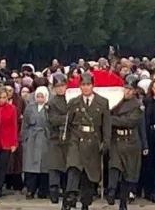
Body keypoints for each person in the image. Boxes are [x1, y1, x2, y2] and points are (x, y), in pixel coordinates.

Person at [62, 72, 111, 210]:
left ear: (93, 85)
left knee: (89, 174)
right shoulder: (74, 102)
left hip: (93, 140)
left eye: (88, 84)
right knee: (73, 166)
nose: (86, 87)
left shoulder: (102, 102)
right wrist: (66, 138)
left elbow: (106, 124)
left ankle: (85, 201)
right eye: (83, 85)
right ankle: (70, 196)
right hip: (76, 138)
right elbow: (68, 122)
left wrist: (106, 142)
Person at [106, 84, 144, 210]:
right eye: (125, 88)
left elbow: (130, 121)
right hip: (116, 140)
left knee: (128, 174)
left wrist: (112, 120)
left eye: (130, 89)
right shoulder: (116, 102)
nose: (127, 91)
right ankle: (111, 191)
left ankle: (123, 201)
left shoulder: (137, 105)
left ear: (134, 91)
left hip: (130, 141)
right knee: (114, 166)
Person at [21, 86, 51, 199]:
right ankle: (30, 190)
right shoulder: (29, 108)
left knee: (44, 167)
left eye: (42, 96)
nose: (39, 98)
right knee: (30, 166)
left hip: (44, 139)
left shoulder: (49, 108)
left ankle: (43, 190)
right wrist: (24, 139)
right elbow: (25, 124)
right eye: (38, 96)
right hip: (32, 139)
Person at [0, 87, 19, 198]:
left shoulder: (12, 108)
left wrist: (14, 142)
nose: (2, 100)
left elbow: (14, 125)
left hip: (7, 140)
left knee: (2, 165)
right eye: (0, 98)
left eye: (4, 98)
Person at [45, 72, 68, 203]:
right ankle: (53, 190)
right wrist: (68, 117)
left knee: (68, 166)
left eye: (63, 85)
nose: (60, 88)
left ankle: (67, 190)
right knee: (54, 166)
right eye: (58, 86)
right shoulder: (52, 103)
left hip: (69, 138)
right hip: (55, 137)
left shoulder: (70, 99)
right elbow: (53, 120)